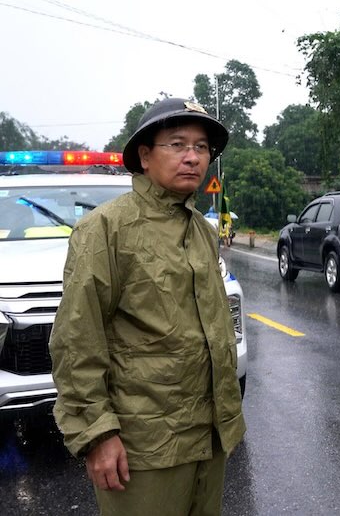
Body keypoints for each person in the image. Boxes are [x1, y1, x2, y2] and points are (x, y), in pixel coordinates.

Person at [50, 98, 246, 515]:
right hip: (145, 448)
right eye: (177, 144)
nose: (193, 157)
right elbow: (76, 341)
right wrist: (98, 434)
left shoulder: (202, 232)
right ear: (144, 155)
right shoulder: (106, 229)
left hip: (209, 437)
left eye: (201, 147)